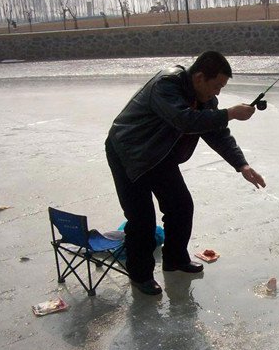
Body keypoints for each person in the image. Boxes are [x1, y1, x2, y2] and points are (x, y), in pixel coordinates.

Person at [106, 51, 266, 295]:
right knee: (142, 219)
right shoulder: (167, 84)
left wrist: (242, 165)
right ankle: (140, 276)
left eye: (222, 87)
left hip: (160, 156)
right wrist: (230, 113)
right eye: (216, 86)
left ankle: (175, 260)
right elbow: (185, 120)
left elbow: (216, 132)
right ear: (200, 77)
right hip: (129, 152)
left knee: (181, 206)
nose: (218, 93)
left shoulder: (204, 98)